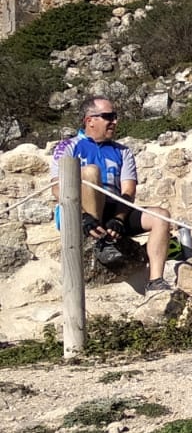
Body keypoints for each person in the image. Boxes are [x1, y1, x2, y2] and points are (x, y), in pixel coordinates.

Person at [51, 96, 174, 292]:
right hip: (79, 212)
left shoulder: (123, 151)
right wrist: (83, 215)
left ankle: (156, 280)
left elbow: (128, 191)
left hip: (114, 211)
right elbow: (57, 188)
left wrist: (118, 218)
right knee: (91, 172)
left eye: (115, 116)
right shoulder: (68, 146)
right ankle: (98, 241)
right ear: (90, 120)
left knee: (161, 216)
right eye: (108, 116)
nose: (115, 121)